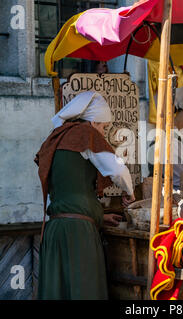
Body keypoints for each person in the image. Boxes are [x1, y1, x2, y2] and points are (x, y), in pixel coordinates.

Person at [34, 91, 135, 300]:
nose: (103, 133)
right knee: (84, 292)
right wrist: (130, 192)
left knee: (58, 293)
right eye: (103, 127)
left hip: (55, 230)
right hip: (77, 235)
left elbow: (67, 193)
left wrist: (98, 216)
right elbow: (118, 171)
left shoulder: (55, 138)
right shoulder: (84, 134)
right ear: (94, 122)